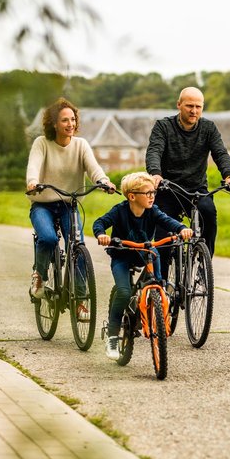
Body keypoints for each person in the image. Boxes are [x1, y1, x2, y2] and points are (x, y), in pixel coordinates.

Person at [26, 97, 116, 311]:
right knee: (47, 238)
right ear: (54, 124)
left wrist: (103, 181)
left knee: (78, 247)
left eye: (73, 119)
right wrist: (32, 182)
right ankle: (39, 275)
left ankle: (80, 300)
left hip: (70, 204)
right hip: (43, 205)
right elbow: (33, 167)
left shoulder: (81, 145)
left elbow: (93, 168)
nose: (70, 124)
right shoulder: (42, 143)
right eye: (65, 120)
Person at [93, 172, 194, 360]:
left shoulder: (153, 210)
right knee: (123, 292)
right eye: (147, 193)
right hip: (122, 256)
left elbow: (167, 220)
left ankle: (157, 300)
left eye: (153, 193)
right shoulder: (120, 211)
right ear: (132, 196)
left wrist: (181, 229)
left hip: (145, 253)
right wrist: (101, 235)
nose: (151, 197)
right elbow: (99, 222)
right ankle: (113, 337)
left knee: (157, 279)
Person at [145, 86, 230, 272]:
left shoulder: (208, 128)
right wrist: (155, 173)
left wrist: (229, 176)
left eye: (198, 106)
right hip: (167, 189)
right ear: (179, 105)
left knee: (209, 214)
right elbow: (154, 151)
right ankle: (162, 285)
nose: (194, 110)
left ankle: (204, 263)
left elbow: (220, 153)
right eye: (189, 106)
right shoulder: (163, 126)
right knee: (164, 239)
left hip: (196, 190)